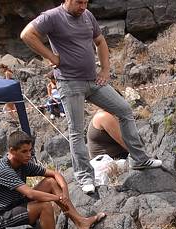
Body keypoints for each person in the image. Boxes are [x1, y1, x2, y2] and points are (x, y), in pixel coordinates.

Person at [20, 0, 162, 197]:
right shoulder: (52, 16)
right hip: (70, 82)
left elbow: (101, 41)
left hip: (93, 80)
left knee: (124, 110)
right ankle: (85, 178)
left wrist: (105, 69)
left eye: (86, 2)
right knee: (76, 131)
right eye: (79, 2)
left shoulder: (87, 16)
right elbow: (27, 34)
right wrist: (51, 57)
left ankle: (138, 159)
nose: (83, 7)